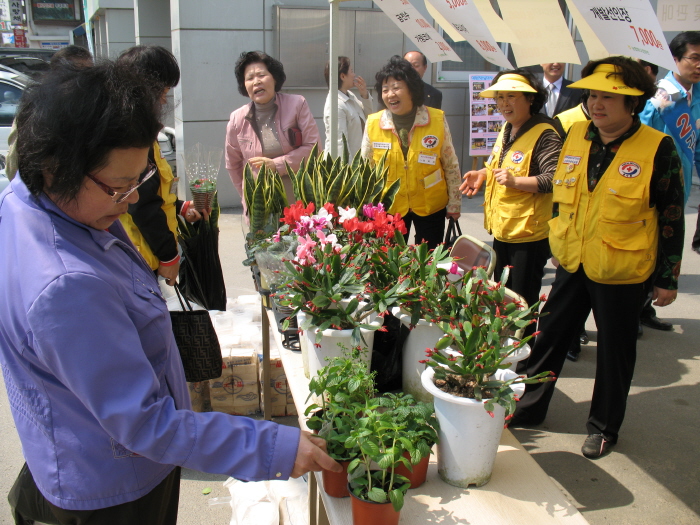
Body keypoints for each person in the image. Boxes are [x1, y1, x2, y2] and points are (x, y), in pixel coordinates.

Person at [1, 61, 339, 525]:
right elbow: (143, 423)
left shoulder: (24, 201)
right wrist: (273, 445)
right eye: (119, 187)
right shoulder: (67, 286)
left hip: (73, 451)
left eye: (138, 182)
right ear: (57, 166)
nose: (133, 200)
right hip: (112, 488)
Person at [510, 57, 684, 460]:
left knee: (614, 353)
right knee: (548, 338)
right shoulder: (574, 136)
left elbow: (672, 216)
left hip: (623, 268)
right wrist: (557, 238)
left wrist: (667, 278)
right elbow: (560, 199)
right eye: (592, 94)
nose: (597, 103)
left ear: (634, 101)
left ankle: (604, 427)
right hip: (573, 261)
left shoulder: (658, 148)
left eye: (609, 96)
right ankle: (530, 408)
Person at [460, 69, 562, 339]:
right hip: (504, 228)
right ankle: (504, 347)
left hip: (528, 234)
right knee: (504, 295)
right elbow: (498, 166)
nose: (504, 104)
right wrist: (482, 174)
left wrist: (517, 182)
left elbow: (555, 179)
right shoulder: (507, 128)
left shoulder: (545, 133)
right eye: (500, 97)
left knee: (522, 301)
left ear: (530, 99)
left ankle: (522, 357)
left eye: (511, 97)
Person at [116, 45, 204, 287]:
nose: (165, 100)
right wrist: (168, 256)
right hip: (139, 255)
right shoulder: (132, 136)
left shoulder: (140, 130)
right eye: (163, 92)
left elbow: (153, 191)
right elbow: (141, 203)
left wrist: (180, 206)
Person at [361, 56, 461, 249]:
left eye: (396, 87)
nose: (390, 94)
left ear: (412, 89)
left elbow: (450, 164)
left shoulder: (436, 119)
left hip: (431, 204)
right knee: (390, 263)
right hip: (390, 206)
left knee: (429, 263)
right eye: (385, 89)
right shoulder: (374, 123)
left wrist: (455, 203)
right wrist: (366, 207)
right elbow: (366, 168)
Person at [225, 51, 320, 213]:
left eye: (261, 75)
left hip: (297, 205)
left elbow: (314, 148)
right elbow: (232, 164)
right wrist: (247, 197)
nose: (256, 82)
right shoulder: (237, 119)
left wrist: (275, 165)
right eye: (250, 78)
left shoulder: (297, 104)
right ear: (244, 85)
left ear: (274, 78)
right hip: (261, 209)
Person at [5, 44, 93, 182]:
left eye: (89, 74)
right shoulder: (36, 109)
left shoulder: (98, 110)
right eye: (76, 73)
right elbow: (14, 167)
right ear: (56, 75)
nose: (84, 81)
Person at [639, 31, 700, 206]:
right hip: (650, 190)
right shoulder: (654, 98)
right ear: (674, 59)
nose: (699, 65)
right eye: (694, 58)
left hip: (682, 191)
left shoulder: (697, 98)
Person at [323, 56, 374, 158]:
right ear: (343, 76)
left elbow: (369, 118)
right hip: (347, 168)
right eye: (351, 71)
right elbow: (339, 144)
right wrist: (349, 172)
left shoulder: (350, 95)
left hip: (358, 162)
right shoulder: (335, 105)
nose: (354, 75)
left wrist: (364, 94)